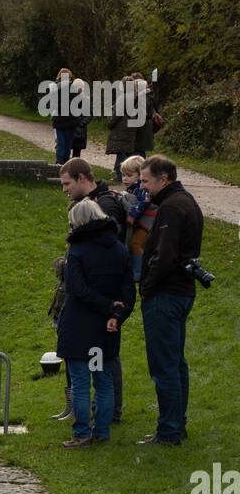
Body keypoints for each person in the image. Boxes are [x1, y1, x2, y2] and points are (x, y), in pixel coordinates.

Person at [136, 155, 204, 446]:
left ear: (164, 179)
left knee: (164, 365)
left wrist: (147, 288)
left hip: (166, 294)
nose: (143, 187)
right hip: (181, 291)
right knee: (176, 363)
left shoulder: (171, 208)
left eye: (146, 181)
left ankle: (169, 431)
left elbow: (164, 257)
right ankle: (178, 423)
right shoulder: (186, 201)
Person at [56, 198, 135, 449]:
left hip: (79, 326)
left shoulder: (77, 250)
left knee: (81, 382)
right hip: (105, 329)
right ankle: (102, 431)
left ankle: (82, 433)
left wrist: (107, 307)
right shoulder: (120, 249)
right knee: (103, 381)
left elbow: (76, 288)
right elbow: (127, 293)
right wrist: (115, 315)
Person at [59, 158, 126, 420]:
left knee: (102, 366)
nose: (64, 189)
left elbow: (107, 260)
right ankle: (98, 417)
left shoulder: (104, 204)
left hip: (97, 301)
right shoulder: (92, 204)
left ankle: (103, 415)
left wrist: (110, 306)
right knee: (100, 364)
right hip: (101, 301)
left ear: (82, 178)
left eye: (67, 183)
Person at [119, 154, 156, 282]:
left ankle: (138, 272)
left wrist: (132, 216)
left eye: (129, 176)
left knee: (135, 243)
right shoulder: (133, 188)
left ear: (140, 175)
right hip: (142, 223)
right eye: (123, 175)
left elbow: (143, 203)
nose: (125, 179)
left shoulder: (142, 189)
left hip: (148, 223)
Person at [51, 67, 76, 166]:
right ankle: (65, 162)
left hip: (59, 120)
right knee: (68, 144)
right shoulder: (73, 88)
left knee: (61, 142)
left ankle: (59, 162)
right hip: (71, 121)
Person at [70, 78, 90, 157]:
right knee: (70, 149)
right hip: (72, 127)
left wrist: (81, 123)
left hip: (79, 129)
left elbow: (89, 114)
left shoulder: (85, 99)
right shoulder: (70, 98)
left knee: (76, 151)